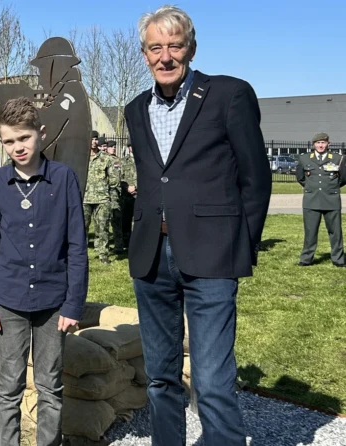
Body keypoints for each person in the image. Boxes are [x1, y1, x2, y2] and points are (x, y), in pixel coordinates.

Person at [124, 6, 271, 445]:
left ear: (191, 47)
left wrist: (241, 245)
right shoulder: (135, 109)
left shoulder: (229, 94)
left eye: (174, 45)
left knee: (211, 381)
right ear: (145, 53)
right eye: (155, 47)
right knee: (160, 378)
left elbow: (256, 178)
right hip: (152, 259)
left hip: (212, 256)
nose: (165, 56)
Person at [0, 98, 86, 446]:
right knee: (8, 387)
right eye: (9, 141)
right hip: (9, 301)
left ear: (41, 133)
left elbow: (77, 245)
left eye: (24, 138)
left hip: (53, 302)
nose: (17, 147)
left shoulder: (63, 178)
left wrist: (73, 304)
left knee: (50, 386)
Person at [296, 132, 345, 267]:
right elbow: (300, 177)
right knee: (310, 232)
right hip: (311, 200)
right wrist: (312, 188)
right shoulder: (305, 158)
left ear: (328, 144)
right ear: (314, 145)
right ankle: (306, 259)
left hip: (331, 200)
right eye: (318, 143)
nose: (320, 145)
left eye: (323, 142)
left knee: (335, 232)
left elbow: (343, 178)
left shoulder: (337, 158)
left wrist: (330, 188)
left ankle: (338, 259)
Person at [82, 136, 116, 264]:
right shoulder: (81, 157)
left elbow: (113, 179)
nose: (94, 141)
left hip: (102, 198)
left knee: (103, 228)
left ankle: (103, 255)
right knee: (81, 228)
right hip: (84, 198)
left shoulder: (106, 158)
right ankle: (81, 254)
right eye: (91, 138)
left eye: (96, 139)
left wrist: (109, 193)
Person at [106, 140, 125, 254]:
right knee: (103, 221)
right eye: (111, 147)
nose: (113, 148)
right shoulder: (104, 159)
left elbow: (121, 175)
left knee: (116, 218)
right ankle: (104, 246)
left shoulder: (117, 160)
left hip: (116, 193)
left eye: (114, 147)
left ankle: (119, 245)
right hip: (104, 192)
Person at [120, 141, 138, 246]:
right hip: (126, 195)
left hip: (140, 194)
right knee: (125, 219)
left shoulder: (143, 160)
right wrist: (127, 188)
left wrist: (136, 187)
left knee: (138, 220)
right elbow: (119, 177)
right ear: (129, 148)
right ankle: (126, 241)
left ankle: (137, 241)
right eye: (131, 146)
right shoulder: (123, 161)